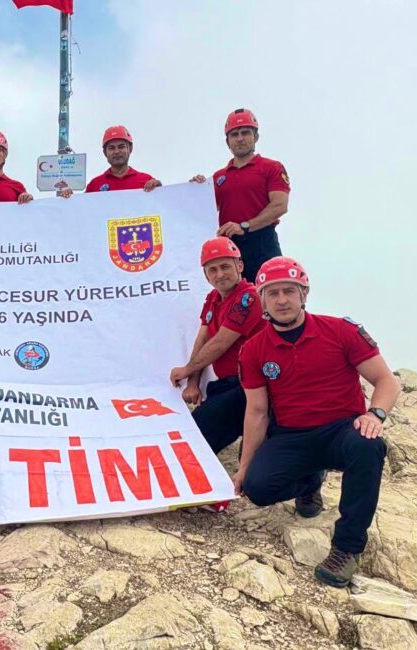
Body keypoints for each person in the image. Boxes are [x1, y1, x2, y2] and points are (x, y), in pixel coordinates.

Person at [235, 257, 400, 587]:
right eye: (272, 293)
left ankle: (347, 549)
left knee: (368, 445)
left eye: (289, 291)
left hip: (341, 429)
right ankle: (311, 483)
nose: (282, 299)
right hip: (292, 436)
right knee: (258, 487)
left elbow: (387, 381)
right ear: (263, 300)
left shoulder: (341, 330)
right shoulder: (253, 350)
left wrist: (374, 414)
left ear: (304, 294)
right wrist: (243, 467)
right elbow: (256, 412)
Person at [169, 237, 264, 459]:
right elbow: (203, 338)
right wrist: (192, 382)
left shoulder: (249, 297)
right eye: (212, 270)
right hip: (225, 385)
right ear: (206, 275)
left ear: (239, 266)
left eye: (225, 267)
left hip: (250, 386)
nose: (219, 274)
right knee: (196, 438)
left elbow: (221, 342)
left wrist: (185, 370)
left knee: (197, 438)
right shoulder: (213, 297)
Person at [191, 109, 290, 282]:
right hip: (228, 246)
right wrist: (196, 189)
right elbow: (201, 211)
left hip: (262, 241)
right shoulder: (218, 177)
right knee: (234, 299)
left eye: (245, 132)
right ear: (227, 141)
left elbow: (279, 206)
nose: (240, 138)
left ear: (256, 137)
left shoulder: (271, 167)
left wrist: (244, 226)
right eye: (234, 134)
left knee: (269, 290)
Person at [60, 125, 162, 197]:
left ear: (130, 149)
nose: (117, 151)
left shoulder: (145, 180)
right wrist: (70, 199)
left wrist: (159, 190)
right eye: (111, 148)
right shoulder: (95, 185)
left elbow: (160, 209)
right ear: (105, 153)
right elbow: (83, 213)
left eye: (121, 147)